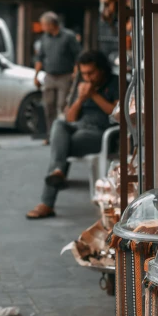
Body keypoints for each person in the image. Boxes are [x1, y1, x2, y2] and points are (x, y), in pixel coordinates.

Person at [27, 50, 119, 219]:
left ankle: (47, 201)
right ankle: (57, 172)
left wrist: (93, 95)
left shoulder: (116, 83)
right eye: (83, 73)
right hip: (78, 126)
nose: (87, 77)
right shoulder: (82, 85)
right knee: (59, 124)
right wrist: (81, 99)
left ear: (102, 70)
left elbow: (117, 114)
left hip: (102, 132)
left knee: (61, 146)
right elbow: (70, 118)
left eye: (91, 73)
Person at [34, 12, 79, 138]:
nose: (42, 27)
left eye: (43, 24)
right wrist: (36, 76)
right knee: (48, 106)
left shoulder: (68, 36)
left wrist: (75, 72)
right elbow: (39, 58)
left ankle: (64, 134)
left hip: (65, 75)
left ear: (51, 24)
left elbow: (78, 56)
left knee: (63, 105)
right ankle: (50, 134)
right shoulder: (44, 38)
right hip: (49, 76)